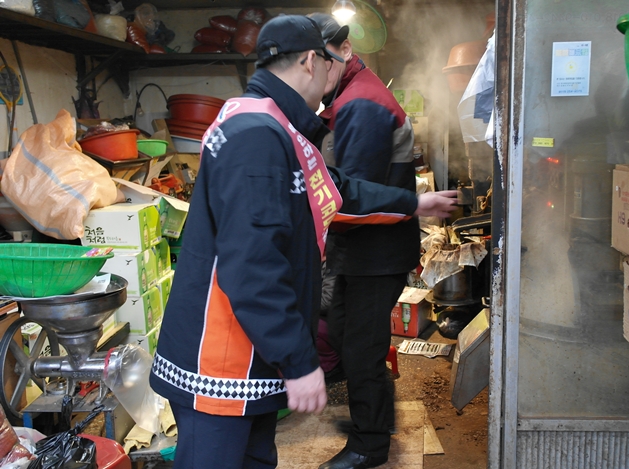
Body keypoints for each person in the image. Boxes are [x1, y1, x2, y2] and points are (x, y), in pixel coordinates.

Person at [149, 15, 458, 469]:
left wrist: (414, 202)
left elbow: (338, 189)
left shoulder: (280, 128)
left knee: (256, 459)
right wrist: (297, 361)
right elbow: (253, 265)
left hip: (250, 356)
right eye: (331, 65)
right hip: (221, 358)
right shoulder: (256, 136)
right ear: (313, 61)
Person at [309, 12, 422, 469]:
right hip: (362, 249)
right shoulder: (347, 96)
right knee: (342, 329)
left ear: (345, 51)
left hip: (376, 251)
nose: (314, 74)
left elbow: (354, 196)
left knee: (360, 348)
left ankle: (369, 445)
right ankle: (376, 414)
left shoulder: (362, 104)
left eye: (322, 63)